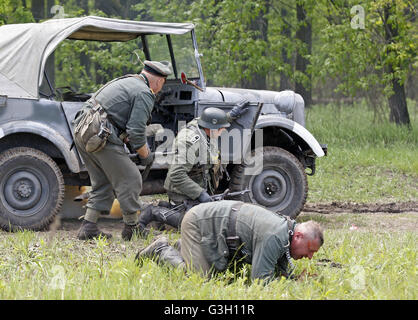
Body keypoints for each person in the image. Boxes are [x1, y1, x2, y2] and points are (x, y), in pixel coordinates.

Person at [73, 60, 173, 240]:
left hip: (83, 130)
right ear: (159, 81)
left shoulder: (128, 80)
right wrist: (146, 156)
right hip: (101, 135)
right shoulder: (144, 93)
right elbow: (136, 133)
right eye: (163, 83)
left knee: (102, 180)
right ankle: (131, 228)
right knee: (131, 177)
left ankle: (88, 227)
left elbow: (121, 121)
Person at [136, 200, 324, 282]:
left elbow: (280, 268)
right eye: (309, 250)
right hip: (198, 223)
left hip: (212, 230)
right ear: (298, 236)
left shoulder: (286, 231)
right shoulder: (276, 235)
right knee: (198, 278)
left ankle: (184, 247)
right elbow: (260, 280)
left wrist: (292, 279)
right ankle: (161, 249)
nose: (309, 257)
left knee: (218, 275)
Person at [136, 103, 249, 234]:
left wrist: (230, 116)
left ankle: (169, 208)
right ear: (211, 128)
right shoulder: (190, 142)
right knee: (195, 226)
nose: (223, 131)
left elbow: (209, 119)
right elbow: (176, 175)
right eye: (221, 128)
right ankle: (154, 211)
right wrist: (200, 194)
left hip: (196, 188)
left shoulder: (203, 126)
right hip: (183, 192)